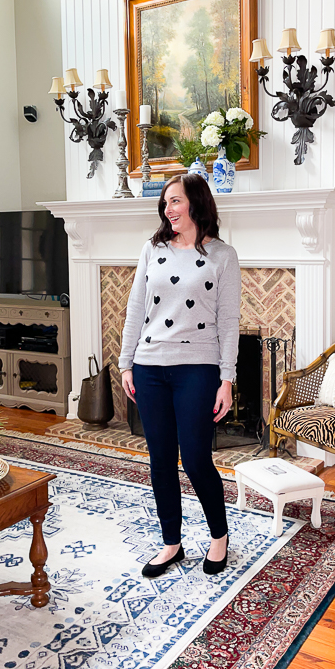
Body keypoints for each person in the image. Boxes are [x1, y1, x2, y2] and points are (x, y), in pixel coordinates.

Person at [119, 173, 241, 578]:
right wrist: (125, 362)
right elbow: (136, 308)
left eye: (176, 201)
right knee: (159, 460)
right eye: (166, 203)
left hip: (198, 368)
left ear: (196, 204)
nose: (169, 209)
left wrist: (227, 379)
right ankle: (172, 543)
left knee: (195, 458)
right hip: (150, 365)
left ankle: (218, 536)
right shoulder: (151, 250)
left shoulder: (223, 255)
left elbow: (229, 321)